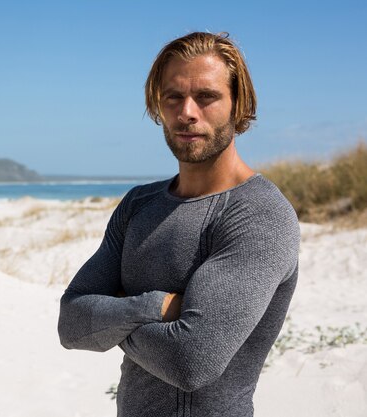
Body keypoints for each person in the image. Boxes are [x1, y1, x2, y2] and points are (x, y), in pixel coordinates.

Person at [57, 32, 300, 417]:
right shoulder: (140, 203)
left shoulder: (258, 213)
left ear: (239, 105)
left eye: (206, 96)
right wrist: (154, 306)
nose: (187, 112)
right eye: (173, 96)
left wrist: (111, 315)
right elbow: (71, 323)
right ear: (158, 105)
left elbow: (191, 361)